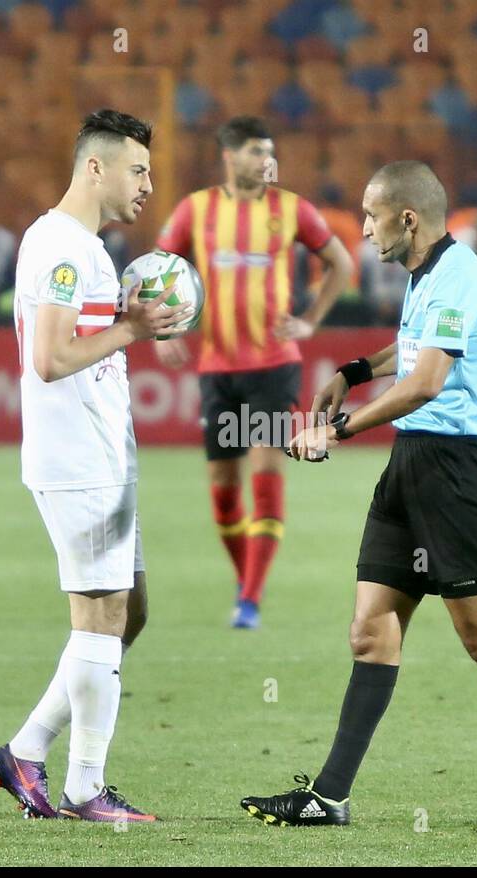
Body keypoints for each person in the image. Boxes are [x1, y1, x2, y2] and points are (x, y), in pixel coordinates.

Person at [241, 161, 477, 829]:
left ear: (408, 218)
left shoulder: (457, 277)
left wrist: (336, 428)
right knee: (371, 630)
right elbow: (411, 352)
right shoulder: (429, 276)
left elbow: (427, 380)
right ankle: (329, 798)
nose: (363, 230)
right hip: (411, 468)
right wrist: (354, 371)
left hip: (453, 474)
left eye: (371, 217)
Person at [0, 110, 193, 824]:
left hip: (102, 455)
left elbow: (82, 347)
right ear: (95, 168)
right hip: (78, 460)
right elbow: (48, 360)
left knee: (126, 613)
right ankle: (81, 788)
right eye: (138, 169)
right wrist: (131, 329)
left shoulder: (81, 249)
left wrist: (131, 328)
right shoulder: (65, 251)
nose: (149, 184)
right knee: (101, 618)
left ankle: (25, 751)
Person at [153, 115, 354, 629]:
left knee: (266, 475)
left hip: (273, 369)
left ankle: (251, 599)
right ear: (229, 155)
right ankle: (246, 587)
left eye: (269, 151)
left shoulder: (291, 209)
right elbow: (159, 268)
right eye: (254, 151)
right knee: (223, 489)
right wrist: (167, 330)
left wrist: (309, 322)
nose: (265, 160)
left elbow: (342, 264)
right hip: (218, 370)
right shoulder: (196, 210)